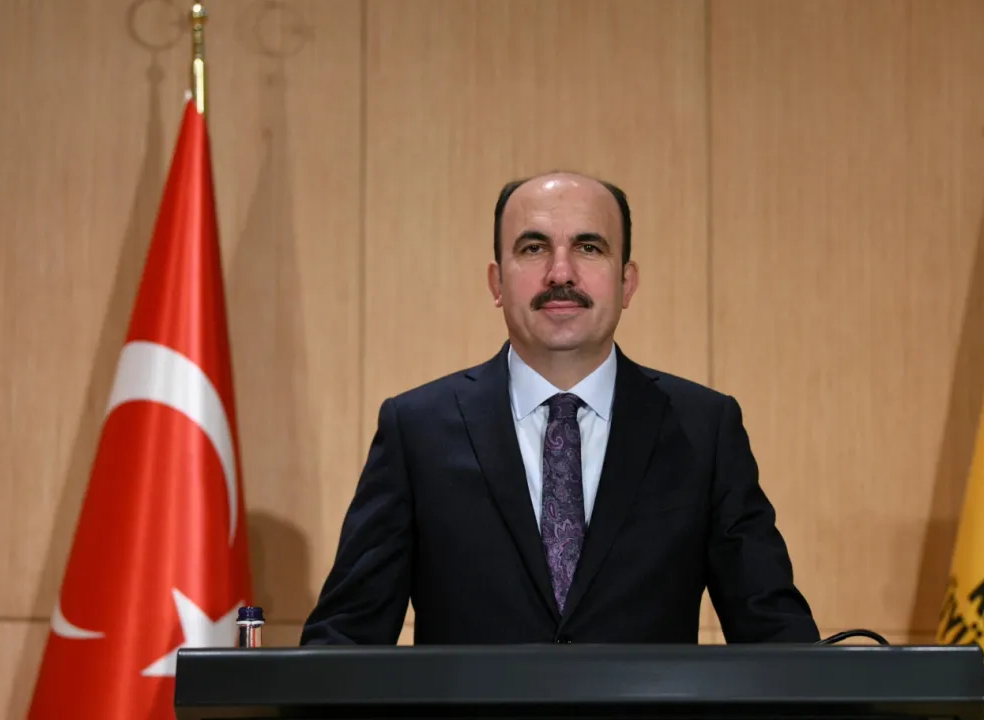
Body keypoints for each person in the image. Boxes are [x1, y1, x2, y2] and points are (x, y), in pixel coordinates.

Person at [300, 171, 819, 645]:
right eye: (534, 248)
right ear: (497, 283)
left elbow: (777, 638)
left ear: (627, 283)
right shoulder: (416, 431)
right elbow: (344, 643)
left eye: (589, 247)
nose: (560, 272)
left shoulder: (704, 430)